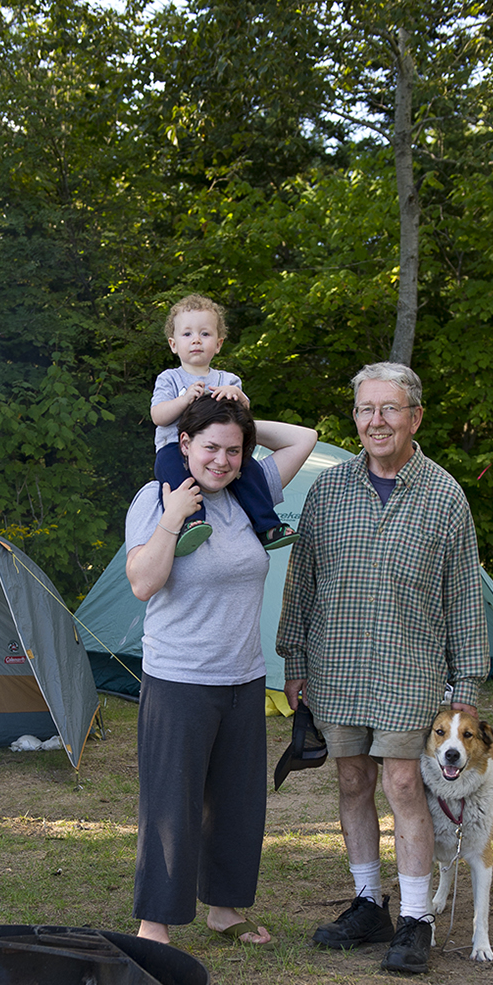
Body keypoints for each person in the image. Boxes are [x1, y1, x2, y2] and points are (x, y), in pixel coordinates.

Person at [276, 361, 489, 976]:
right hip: (337, 665)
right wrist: (295, 657)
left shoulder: (445, 495)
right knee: (351, 783)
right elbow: (304, 581)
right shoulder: (328, 490)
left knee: (401, 785)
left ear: (414, 416)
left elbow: (464, 599)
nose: (376, 421)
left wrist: (467, 682)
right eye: (366, 409)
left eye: (389, 409)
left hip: (408, 668)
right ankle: (370, 904)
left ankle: (416, 918)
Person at [127, 393, 317, 945]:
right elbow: (143, 582)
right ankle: (155, 921)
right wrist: (171, 520)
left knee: (237, 801)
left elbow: (302, 437)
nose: (222, 461)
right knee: (172, 805)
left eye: (234, 450)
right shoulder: (157, 496)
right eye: (210, 447)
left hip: (242, 676)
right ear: (183, 444)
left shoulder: (249, 491)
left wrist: (238, 407)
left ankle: (226, 909)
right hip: (179, 678)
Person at [151, 294, 297, 557]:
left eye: (205, 333)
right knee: (175, 476)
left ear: (218, 344)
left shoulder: (228, 378)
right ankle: (191, 523)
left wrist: (239, 398)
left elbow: (242, 419)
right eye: (187, 334)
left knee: (249, 470)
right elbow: (158, 416)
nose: (196, 339)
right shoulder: (169, 378)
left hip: (220, 449)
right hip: (173, 448)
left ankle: (268, 526)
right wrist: (184, 400)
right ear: (173, 344)